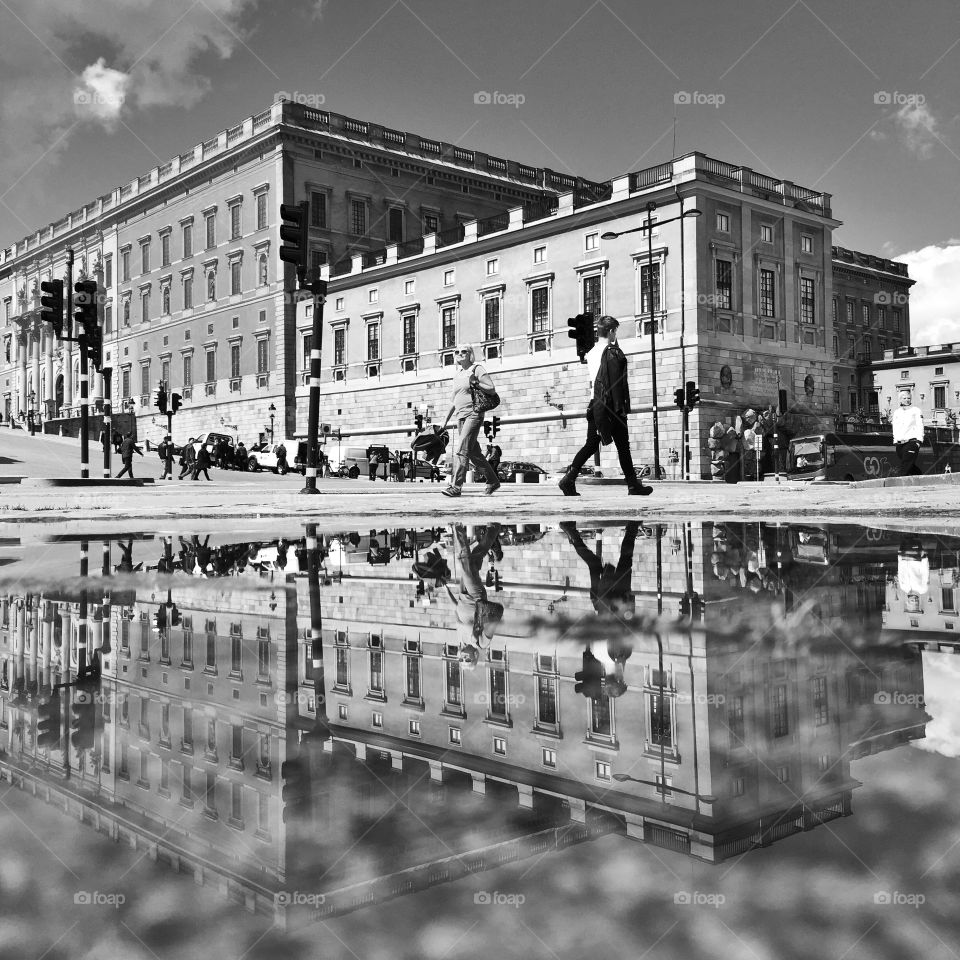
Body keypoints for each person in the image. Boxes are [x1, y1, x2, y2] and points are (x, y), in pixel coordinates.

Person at [559, 315, 652, 497]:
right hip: (611, 406)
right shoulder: (612, 351)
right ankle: (632, 485)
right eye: (615, 331)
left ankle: (569, 479)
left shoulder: (591, 353)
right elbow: (616, 383)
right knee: (623, 447)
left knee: (591, 444)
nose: (616, 335)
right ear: (610, 331)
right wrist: (621, 407)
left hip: (596, 404)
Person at [439, 345, 500, 497]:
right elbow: (453, 401)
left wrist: (476, 383)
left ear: (470, 354)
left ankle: (456, 487)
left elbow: (491, 388)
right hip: (460, 416)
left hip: (474, 414)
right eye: (457, 352)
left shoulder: (477, 369)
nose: (460, 354)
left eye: (463, 351)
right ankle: (493, 481)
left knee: (462, 450)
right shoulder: (458, 374)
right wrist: (444, 421)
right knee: (474, 454)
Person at [892, 388, 924, 476]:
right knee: (910, 465)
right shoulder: (896, 412)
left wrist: (919, 441)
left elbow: (920, 425)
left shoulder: (916, 410)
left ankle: (898, 481)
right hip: (899, 444)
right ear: (900, 399)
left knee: (905, 464)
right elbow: (895, 427)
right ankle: (920, 476)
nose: (907, 400)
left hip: (912, 442)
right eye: (904, 398)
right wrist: (895, 440)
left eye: (908, 398)